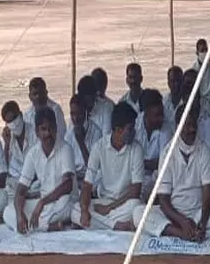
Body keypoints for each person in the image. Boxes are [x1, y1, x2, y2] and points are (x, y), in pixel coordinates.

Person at [133, 101, 210, 242]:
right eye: (187, 125)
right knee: (138, 213)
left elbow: (207, 195)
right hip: (173, 215)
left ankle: (194, 232)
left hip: (197, 213)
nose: (191, 129)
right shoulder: (167, 153)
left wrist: (202, 223)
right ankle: (181, 233)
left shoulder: (203, 151)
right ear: (178, 127)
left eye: (193, 125)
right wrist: (183, 221)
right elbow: (164, 200)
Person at [73, 103, 144, 231]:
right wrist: (84, 211)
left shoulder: (136, 148)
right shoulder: (99, 146)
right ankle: (116, 225)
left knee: (138, 208)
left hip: (125, 203)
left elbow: (135, 191)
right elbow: (87, 184)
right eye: (130, 128)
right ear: (118, 129)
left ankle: (100, 224)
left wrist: (110, 208)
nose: (134, 132)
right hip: (104, 200)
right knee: (75, 210)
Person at [4, 108, 75, 234]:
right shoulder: (33, 153)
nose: (48, 133)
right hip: (44, 204)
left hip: (62, 201)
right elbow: (21, 190)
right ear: (37, 132)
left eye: (51, 128)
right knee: (8, 212)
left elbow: (67, 186)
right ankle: (49, 226)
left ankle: (35, 227)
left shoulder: (65, 149)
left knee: (67, 205)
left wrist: (42, 203)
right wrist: (20, 215)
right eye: (43, 129)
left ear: (56, 128)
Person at [135, 89, 171, 196]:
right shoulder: (135, 124)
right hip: (136, 175)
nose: (161, 118)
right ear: (146, 113)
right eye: (157, 115)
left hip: (156, 177)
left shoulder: (166, 128)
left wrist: (139, 163)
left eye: (162, 114)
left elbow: (163, 163)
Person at [64, 93, 101, 187]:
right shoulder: (70, 131)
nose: (75, 118)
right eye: (72, 114)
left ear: (86, 112)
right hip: (74, 177)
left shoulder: (96, 132)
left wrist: (81, 143)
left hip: (90, 177)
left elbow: (93, 167)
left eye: (79, 114)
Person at [23, 77, 68, 147]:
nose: (38, 97)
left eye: (41, 93)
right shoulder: (27, 115)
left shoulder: (55, 110)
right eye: (35, 94)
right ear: (30, 96)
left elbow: (61, 136)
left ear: (46, 93)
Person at [191, 39, 210, 111]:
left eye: (206, 50)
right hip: (199, 101)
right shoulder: (194, 69)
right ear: (197, 53)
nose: (205, 52)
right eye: (202, 50)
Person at [88, 69, 115, 136]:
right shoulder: (81, 105)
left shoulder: (108, 106)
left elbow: (106, 136)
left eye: (100, 83)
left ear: (105, 85)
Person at [163, 66, 184, 133]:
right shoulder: (164, 102)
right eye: (173, 81)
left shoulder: (187, 103)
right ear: (168, 83)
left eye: (179, 81)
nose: (177, 84)